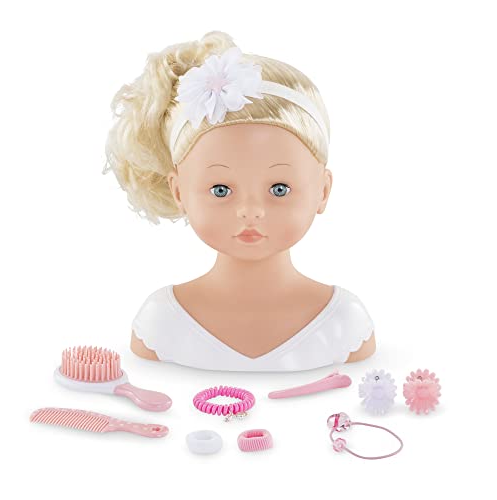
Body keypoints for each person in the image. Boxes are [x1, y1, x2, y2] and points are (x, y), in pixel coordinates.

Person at [103, 31, 376, 371]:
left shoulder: (343, 324)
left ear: (323, 190)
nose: (250, 211)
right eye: (221, 190)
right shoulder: (161, 324)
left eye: (279, 189)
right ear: (178, 191)